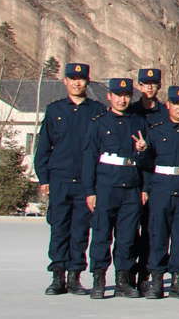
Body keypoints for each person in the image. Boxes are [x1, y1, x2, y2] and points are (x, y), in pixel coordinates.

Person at [38, 63, 104, 296]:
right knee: (59, 229)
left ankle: (75, 277)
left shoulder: (97, 110)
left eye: (81, 79)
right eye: (72, 79)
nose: (77, 83)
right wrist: (43, 178)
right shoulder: (54, 110)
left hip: (86, 182)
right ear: (65, 81)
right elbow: (43, 148)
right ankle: (57, 276)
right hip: (60, 180)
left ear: (87, 82)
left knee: (80, 231)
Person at [82, 78, 150, 298]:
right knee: (101, 234)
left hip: (131, 187)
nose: (122, 100)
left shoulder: (139, 123)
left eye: (127, 96)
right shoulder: (99, 124)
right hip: (106, 187)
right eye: (118, 95)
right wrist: (90, 191)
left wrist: (143, 153)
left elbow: (148, 161)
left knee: (128, 237)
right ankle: (99, 280)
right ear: (109, 97)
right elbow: (89, 160)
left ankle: (123, 281)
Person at [143, 86, 179, 299]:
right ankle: (156, 280)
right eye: (176, 103)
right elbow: (147, 164)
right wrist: (141, 152)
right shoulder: (156, 131)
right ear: (168, 105)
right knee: (158, 236)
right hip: (161, 190)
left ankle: (177, 281)